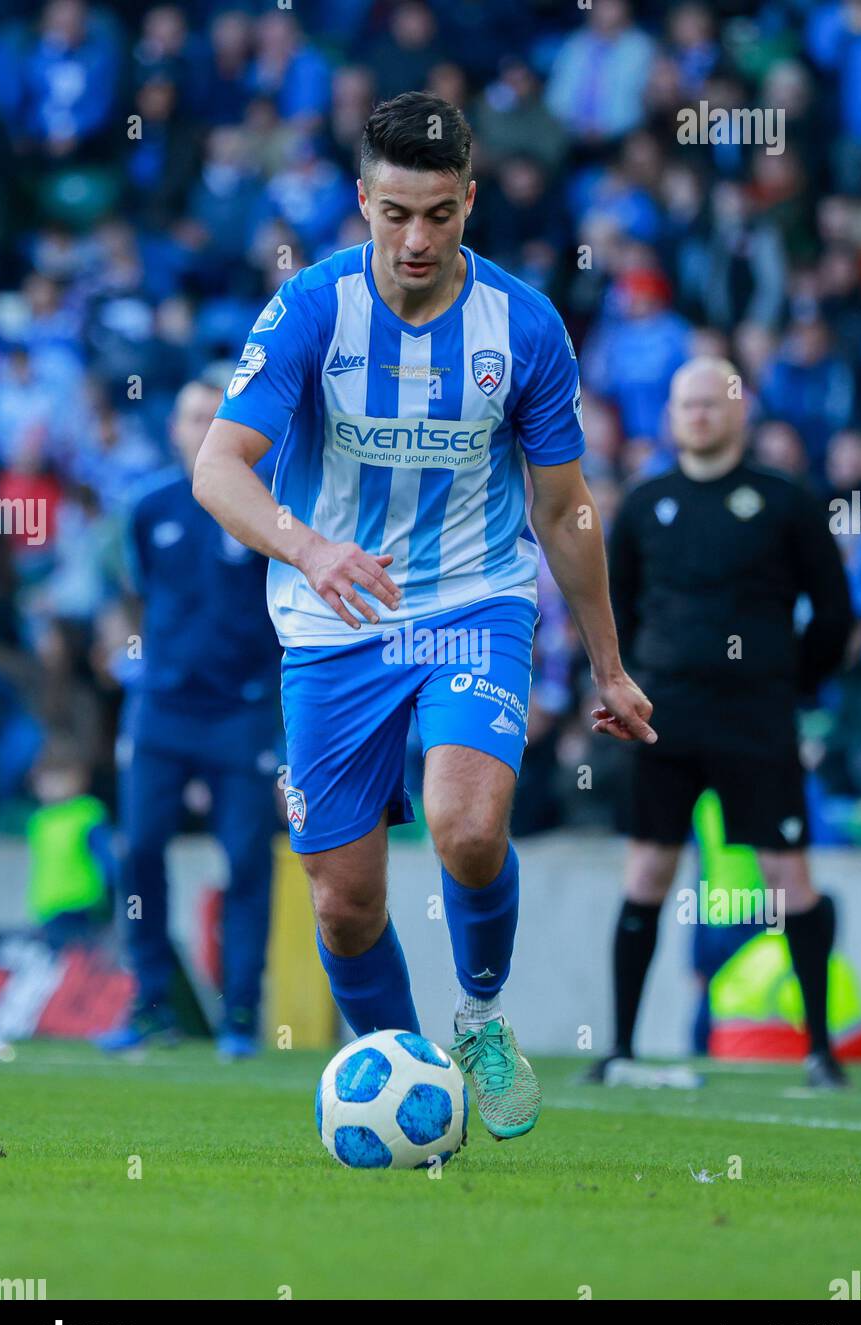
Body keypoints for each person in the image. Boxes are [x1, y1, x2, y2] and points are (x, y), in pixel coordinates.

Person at [192, 92, 655, 1140]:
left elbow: (563, 506)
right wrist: (311, 548)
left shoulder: (522, 325)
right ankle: (408, 1081)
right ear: (361, 199)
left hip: (472, 601)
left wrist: (605, 663)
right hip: (330, 619)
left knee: (465, 823)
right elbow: (216, 468)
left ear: (469, 201)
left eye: (439, 214)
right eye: (394, 212)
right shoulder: (311, 308)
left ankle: (482, 1015)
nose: (414, 238)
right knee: (343, 903)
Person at [590, 357, 854, 1090]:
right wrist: (620, 687)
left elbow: (831, 611)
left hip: (756, 719)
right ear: (670, 416)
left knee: (786, 877)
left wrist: (789, 684)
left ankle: (821, 1051)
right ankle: (617, 1049)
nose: (698, 415)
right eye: (686, 405)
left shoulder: (785, 502)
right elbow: (616, 611)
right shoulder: (645, 505)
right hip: (662, 720)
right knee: (646, 871)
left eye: (711, 403)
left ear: (739, 411)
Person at [97, 379, 281, 1059]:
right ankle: (150, 1004)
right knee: (139, 849)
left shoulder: (264, 507)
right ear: (173, 428)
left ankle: (240, 1012)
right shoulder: (149, 507)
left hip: (241, 712)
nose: (203, 427)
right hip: (162, 711)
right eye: (192, 415)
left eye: (216, 416)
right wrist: (126, 654)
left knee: (243, 862)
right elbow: (126, 590)